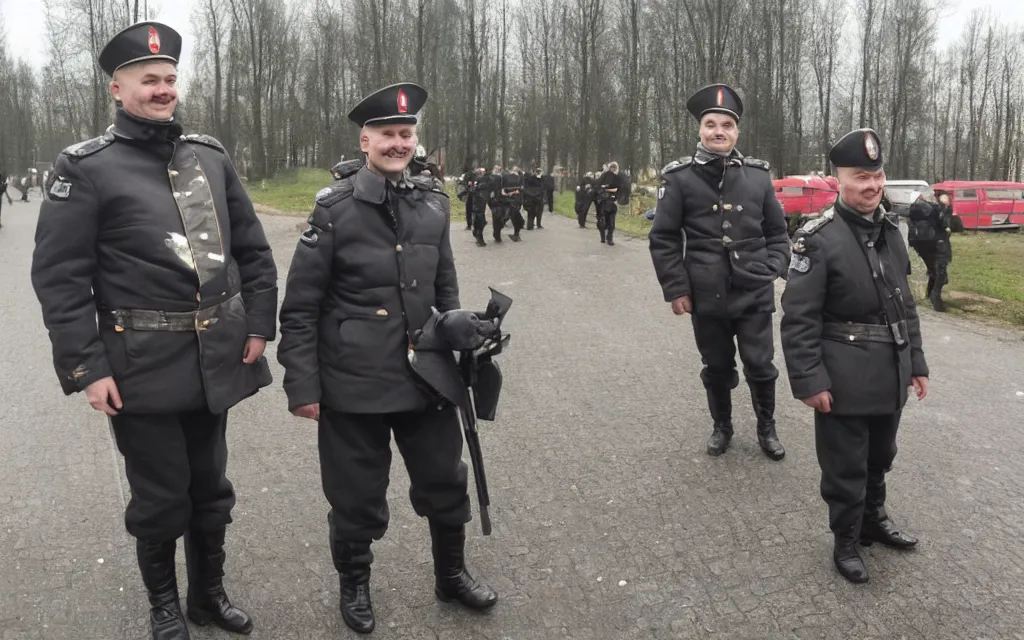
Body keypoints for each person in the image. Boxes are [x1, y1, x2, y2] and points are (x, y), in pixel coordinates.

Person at [30, 21, 277, 640]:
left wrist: (259, 324)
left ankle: (208, 597)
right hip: (139, 363)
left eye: (169, 79)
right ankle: (164, 605)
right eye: (149, 80)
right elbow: (60, 280)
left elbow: (252, 248)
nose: (163, 90)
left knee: (211, 489)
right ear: (118, 88)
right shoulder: (86, 167)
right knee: (161, 497)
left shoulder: (210, 158)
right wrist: (88, 368)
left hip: (217, 355)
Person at [277, 82, 498, 635]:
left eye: (407, 134)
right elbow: (300, 306)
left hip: (427, 377)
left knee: (446, 482)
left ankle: (451, 575)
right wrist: (302, 386)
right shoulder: (333, 210)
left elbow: (445, 286)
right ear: (366, 139)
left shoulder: (432, 203)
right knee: (355, 496)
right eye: (389, 135)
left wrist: (460, 327)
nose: (399, 143)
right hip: (354, 383)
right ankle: (354, 586)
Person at [781, 128, 928, 584]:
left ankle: (872, 521)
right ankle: (845, 539)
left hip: (890, 371)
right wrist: (809, 381)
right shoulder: (817, 239)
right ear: (838, 180)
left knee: (881, 455)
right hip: (842, 378)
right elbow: (798, 318)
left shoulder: (891, 232)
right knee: (845, 466)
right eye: (860, 176)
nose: (871, 185)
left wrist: (917, 364)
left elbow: (906, 304)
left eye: (877, 174)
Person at [649, 83, 790, 461]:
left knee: (761, 364)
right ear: (700, 129)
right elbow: (663, 238)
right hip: (705, 294)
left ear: (736, 131)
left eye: (726, 125)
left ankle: (766, 427)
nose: (718, 131)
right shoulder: (679, 178)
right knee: (716, 365)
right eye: (711, 124)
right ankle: (722, 426)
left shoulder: (758, 177)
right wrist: (677, 288)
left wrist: (776, 264)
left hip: (754, 290)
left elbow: (778, 231)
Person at [907, 192, 954, 312]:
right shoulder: (935, 208)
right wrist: (946, 209)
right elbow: (943, 224)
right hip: (937, 242)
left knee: (933, 270)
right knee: (941, 274)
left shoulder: (913, 210)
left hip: (920, 244)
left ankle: (929, 294)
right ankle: (935, 296)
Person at [594, 162, 622, 245]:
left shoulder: (617, 178)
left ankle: (609, 238)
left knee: (611, 222)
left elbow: (619, 189)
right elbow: (598, 186)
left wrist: (616, 196)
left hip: (612, 202)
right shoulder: (604, 175)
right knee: (603, 220)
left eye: (614, 167)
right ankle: (603, 236)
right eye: (611, 167)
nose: (613, 169)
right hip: (603, 202)